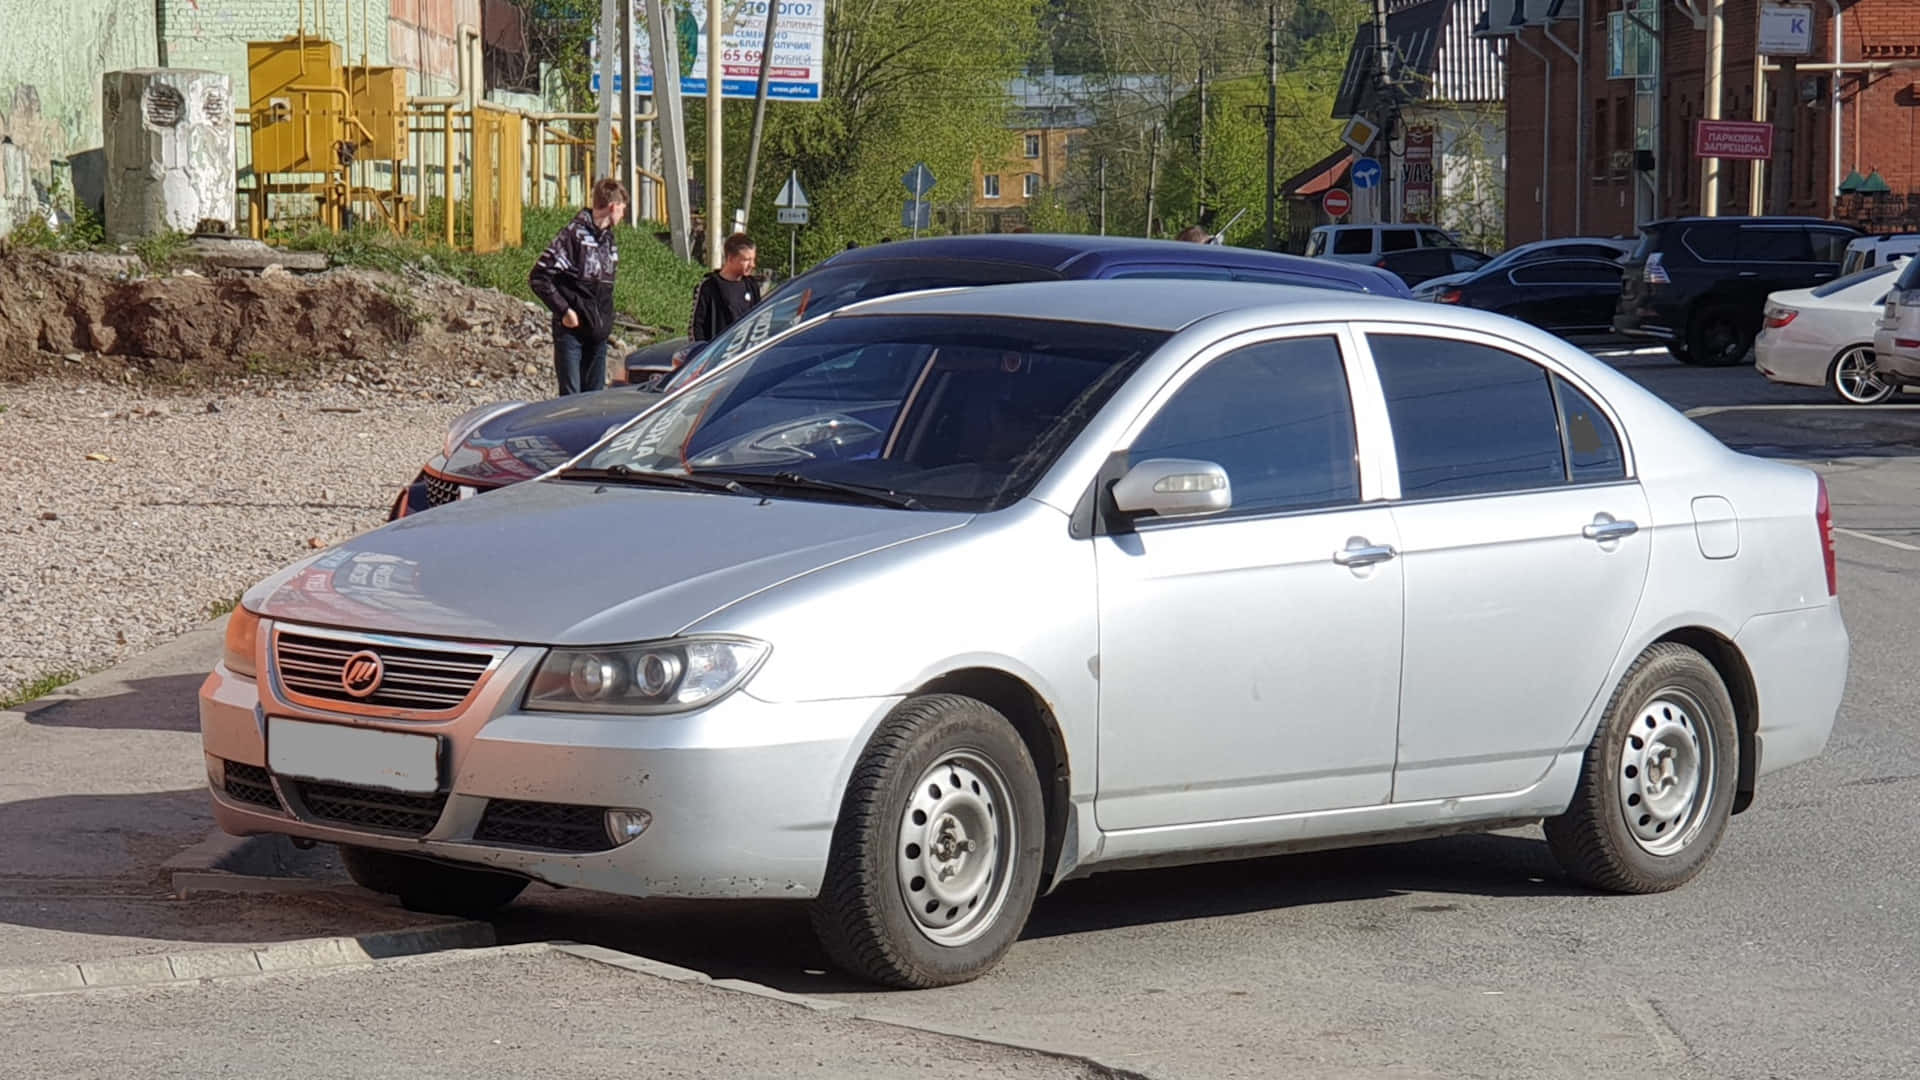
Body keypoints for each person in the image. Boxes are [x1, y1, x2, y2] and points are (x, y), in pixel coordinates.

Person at [529, 178, 626, 396]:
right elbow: (539, 277)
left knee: (594, 402)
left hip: (598, 336)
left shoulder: (609, 240)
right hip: (572, 334)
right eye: (622, 208)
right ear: (612, 206)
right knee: (571, 401)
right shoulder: (572, 235)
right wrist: (564, 311)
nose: (623, 214)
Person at [688, 232, 763, 344]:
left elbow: (760, 319)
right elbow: (696, 326)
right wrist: (702, 353)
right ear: (731, 258)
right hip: (719, 355)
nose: (752, 265)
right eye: (747, 260)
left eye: (753, 259)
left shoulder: (751, 286)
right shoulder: (709, 286)